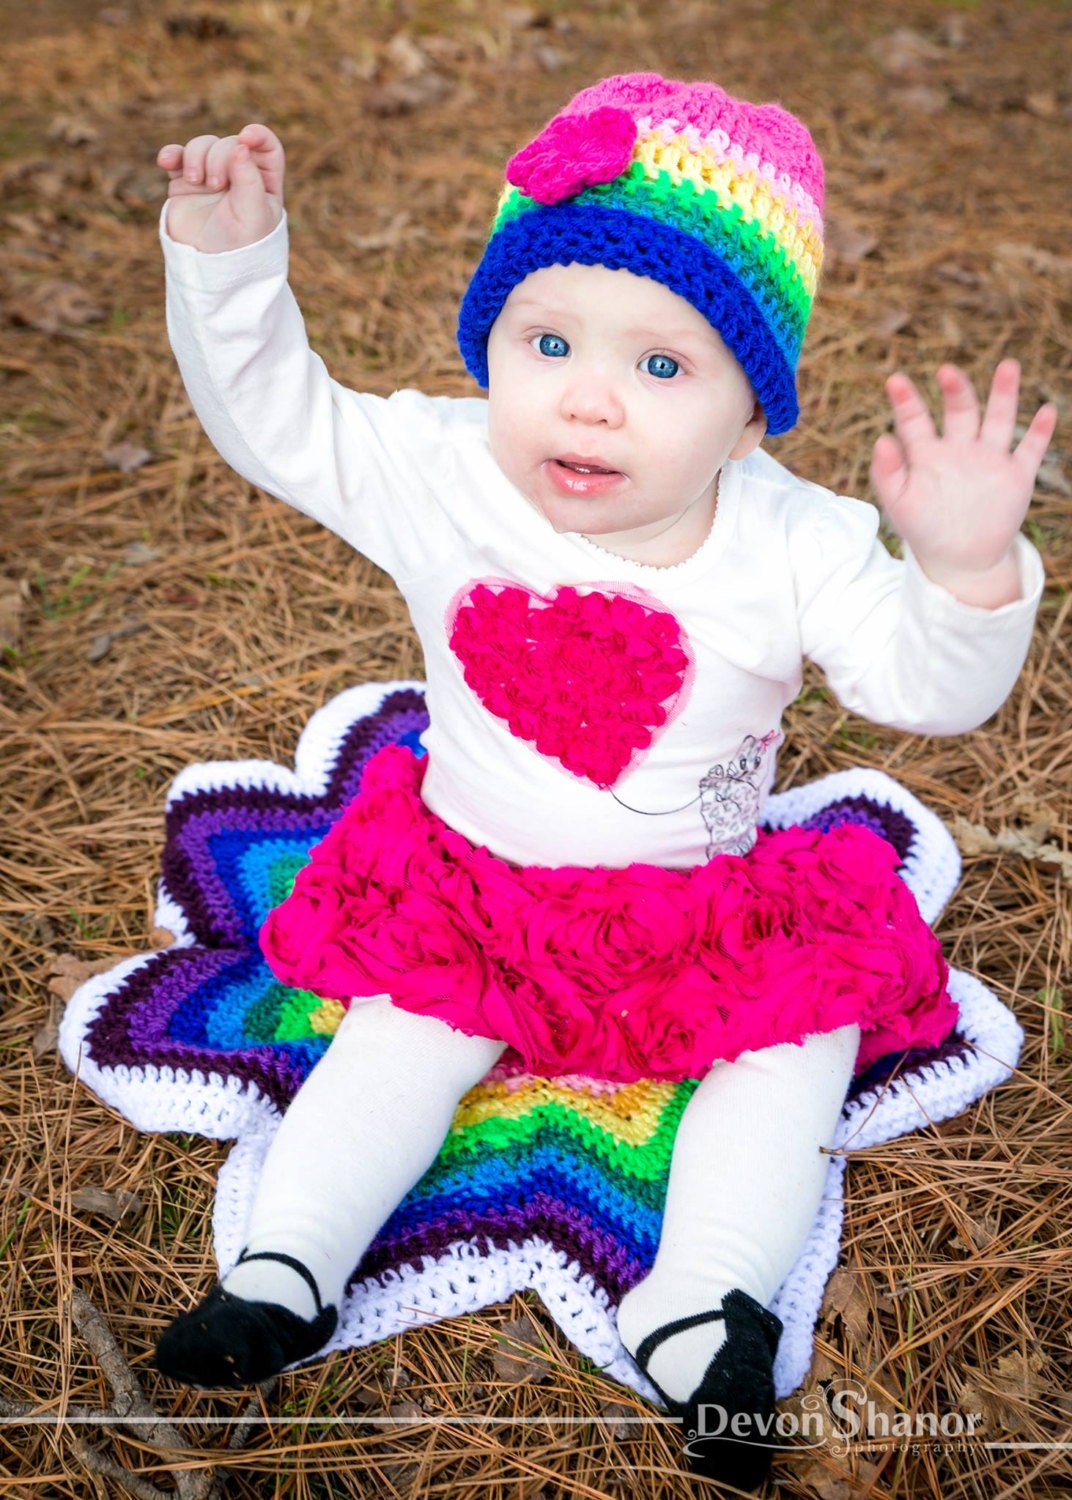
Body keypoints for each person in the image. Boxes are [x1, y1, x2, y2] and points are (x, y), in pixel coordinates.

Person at [150, 73, 1055, 1488]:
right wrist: (227, 264)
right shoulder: (447, 471)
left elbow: (922, 691)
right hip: (471, 892)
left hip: (692, 914)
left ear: (754, 413)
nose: (586, 397)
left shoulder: (792, 541)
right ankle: (287, 1263)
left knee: (794, 1045)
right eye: (546, 337)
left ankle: (707, 1303)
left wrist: (962, 574)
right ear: (490, 343)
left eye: (660, 367)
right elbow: (282, 420)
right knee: (400, 1036)